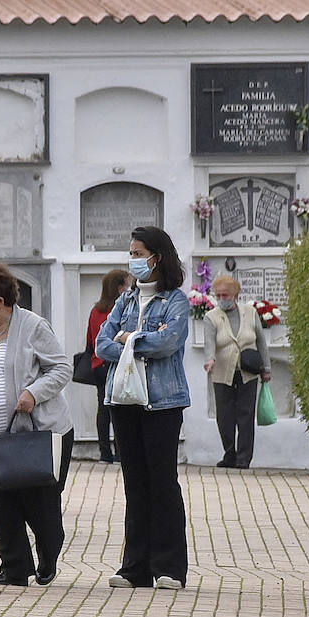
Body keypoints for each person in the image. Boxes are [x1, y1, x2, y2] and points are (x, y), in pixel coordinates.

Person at [0, 263, 75, 586]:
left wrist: (33, 392)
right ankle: (14, 567)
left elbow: (61, 368)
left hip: (37, 431)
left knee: (40, 502)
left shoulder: (32, 326)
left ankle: (48, 555)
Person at [95, 225, 192, 589]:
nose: (133, 260)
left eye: (139, 254)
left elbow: (169, 342)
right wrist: (135, 343)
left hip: (162, 404)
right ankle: (134, 568)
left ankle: (169, 567)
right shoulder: (126, 301)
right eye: (131, 254)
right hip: (123, 400)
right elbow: (102, 344)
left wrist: (129, 338)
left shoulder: (176, 301)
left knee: (162, 482)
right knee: (134, 483)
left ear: (158, 257)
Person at [202, 274, 271, 469]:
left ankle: (243, 458)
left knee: (246, 414)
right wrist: (210, 359)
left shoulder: (250, 312)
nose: (222, 299)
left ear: (235, 295)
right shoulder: (211, 316)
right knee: (224, 416)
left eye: (226, 295)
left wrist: (266, 368)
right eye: (219, 296)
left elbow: (261, 342)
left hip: (248, 371)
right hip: (222, 370)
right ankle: (229, 453)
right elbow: (209, 342)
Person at [86, 269, 129, 463]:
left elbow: (89, 340)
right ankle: (120, 452)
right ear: (119, 287)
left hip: (98, 365)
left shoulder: (95, 310)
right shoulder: (121, 309)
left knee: (102, 409)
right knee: (119, 409)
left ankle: (104, 452)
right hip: (115, 363)